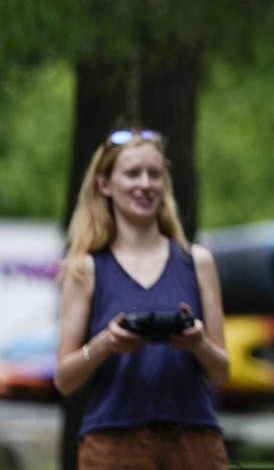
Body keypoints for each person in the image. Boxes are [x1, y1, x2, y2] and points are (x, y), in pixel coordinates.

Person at [54, 128, 230, 469]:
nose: (145, 184)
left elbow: (221, 371)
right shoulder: (85, 269)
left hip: (193, 441)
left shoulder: (197, 262)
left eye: (154, 174)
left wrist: (197, 342)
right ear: (105, 185)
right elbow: (65, 379)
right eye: (132, 173)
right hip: (112, 443)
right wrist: (106, 343)